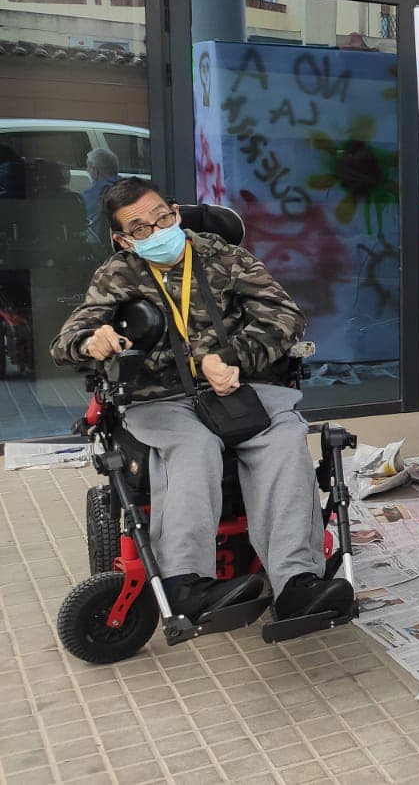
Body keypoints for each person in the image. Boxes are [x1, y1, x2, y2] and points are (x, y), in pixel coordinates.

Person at [49, 178, 352, 623]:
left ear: (174, 211)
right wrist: (91, 341)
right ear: (122, 239)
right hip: (160, 397)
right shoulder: (118, 275)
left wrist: (231, 357)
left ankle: (296, 584)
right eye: (140, 228)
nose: (156, 231)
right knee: (195, 447)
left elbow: (286, 316)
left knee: (285, 437)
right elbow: (66, 340)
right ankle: (187, 583)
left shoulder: (224, 257)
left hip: (235, 388)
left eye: (162, 218)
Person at [82, 147, 120, 238]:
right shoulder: (126, 186)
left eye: (88, 166)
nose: (87, 170)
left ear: (95, 170)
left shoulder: (93, 194)